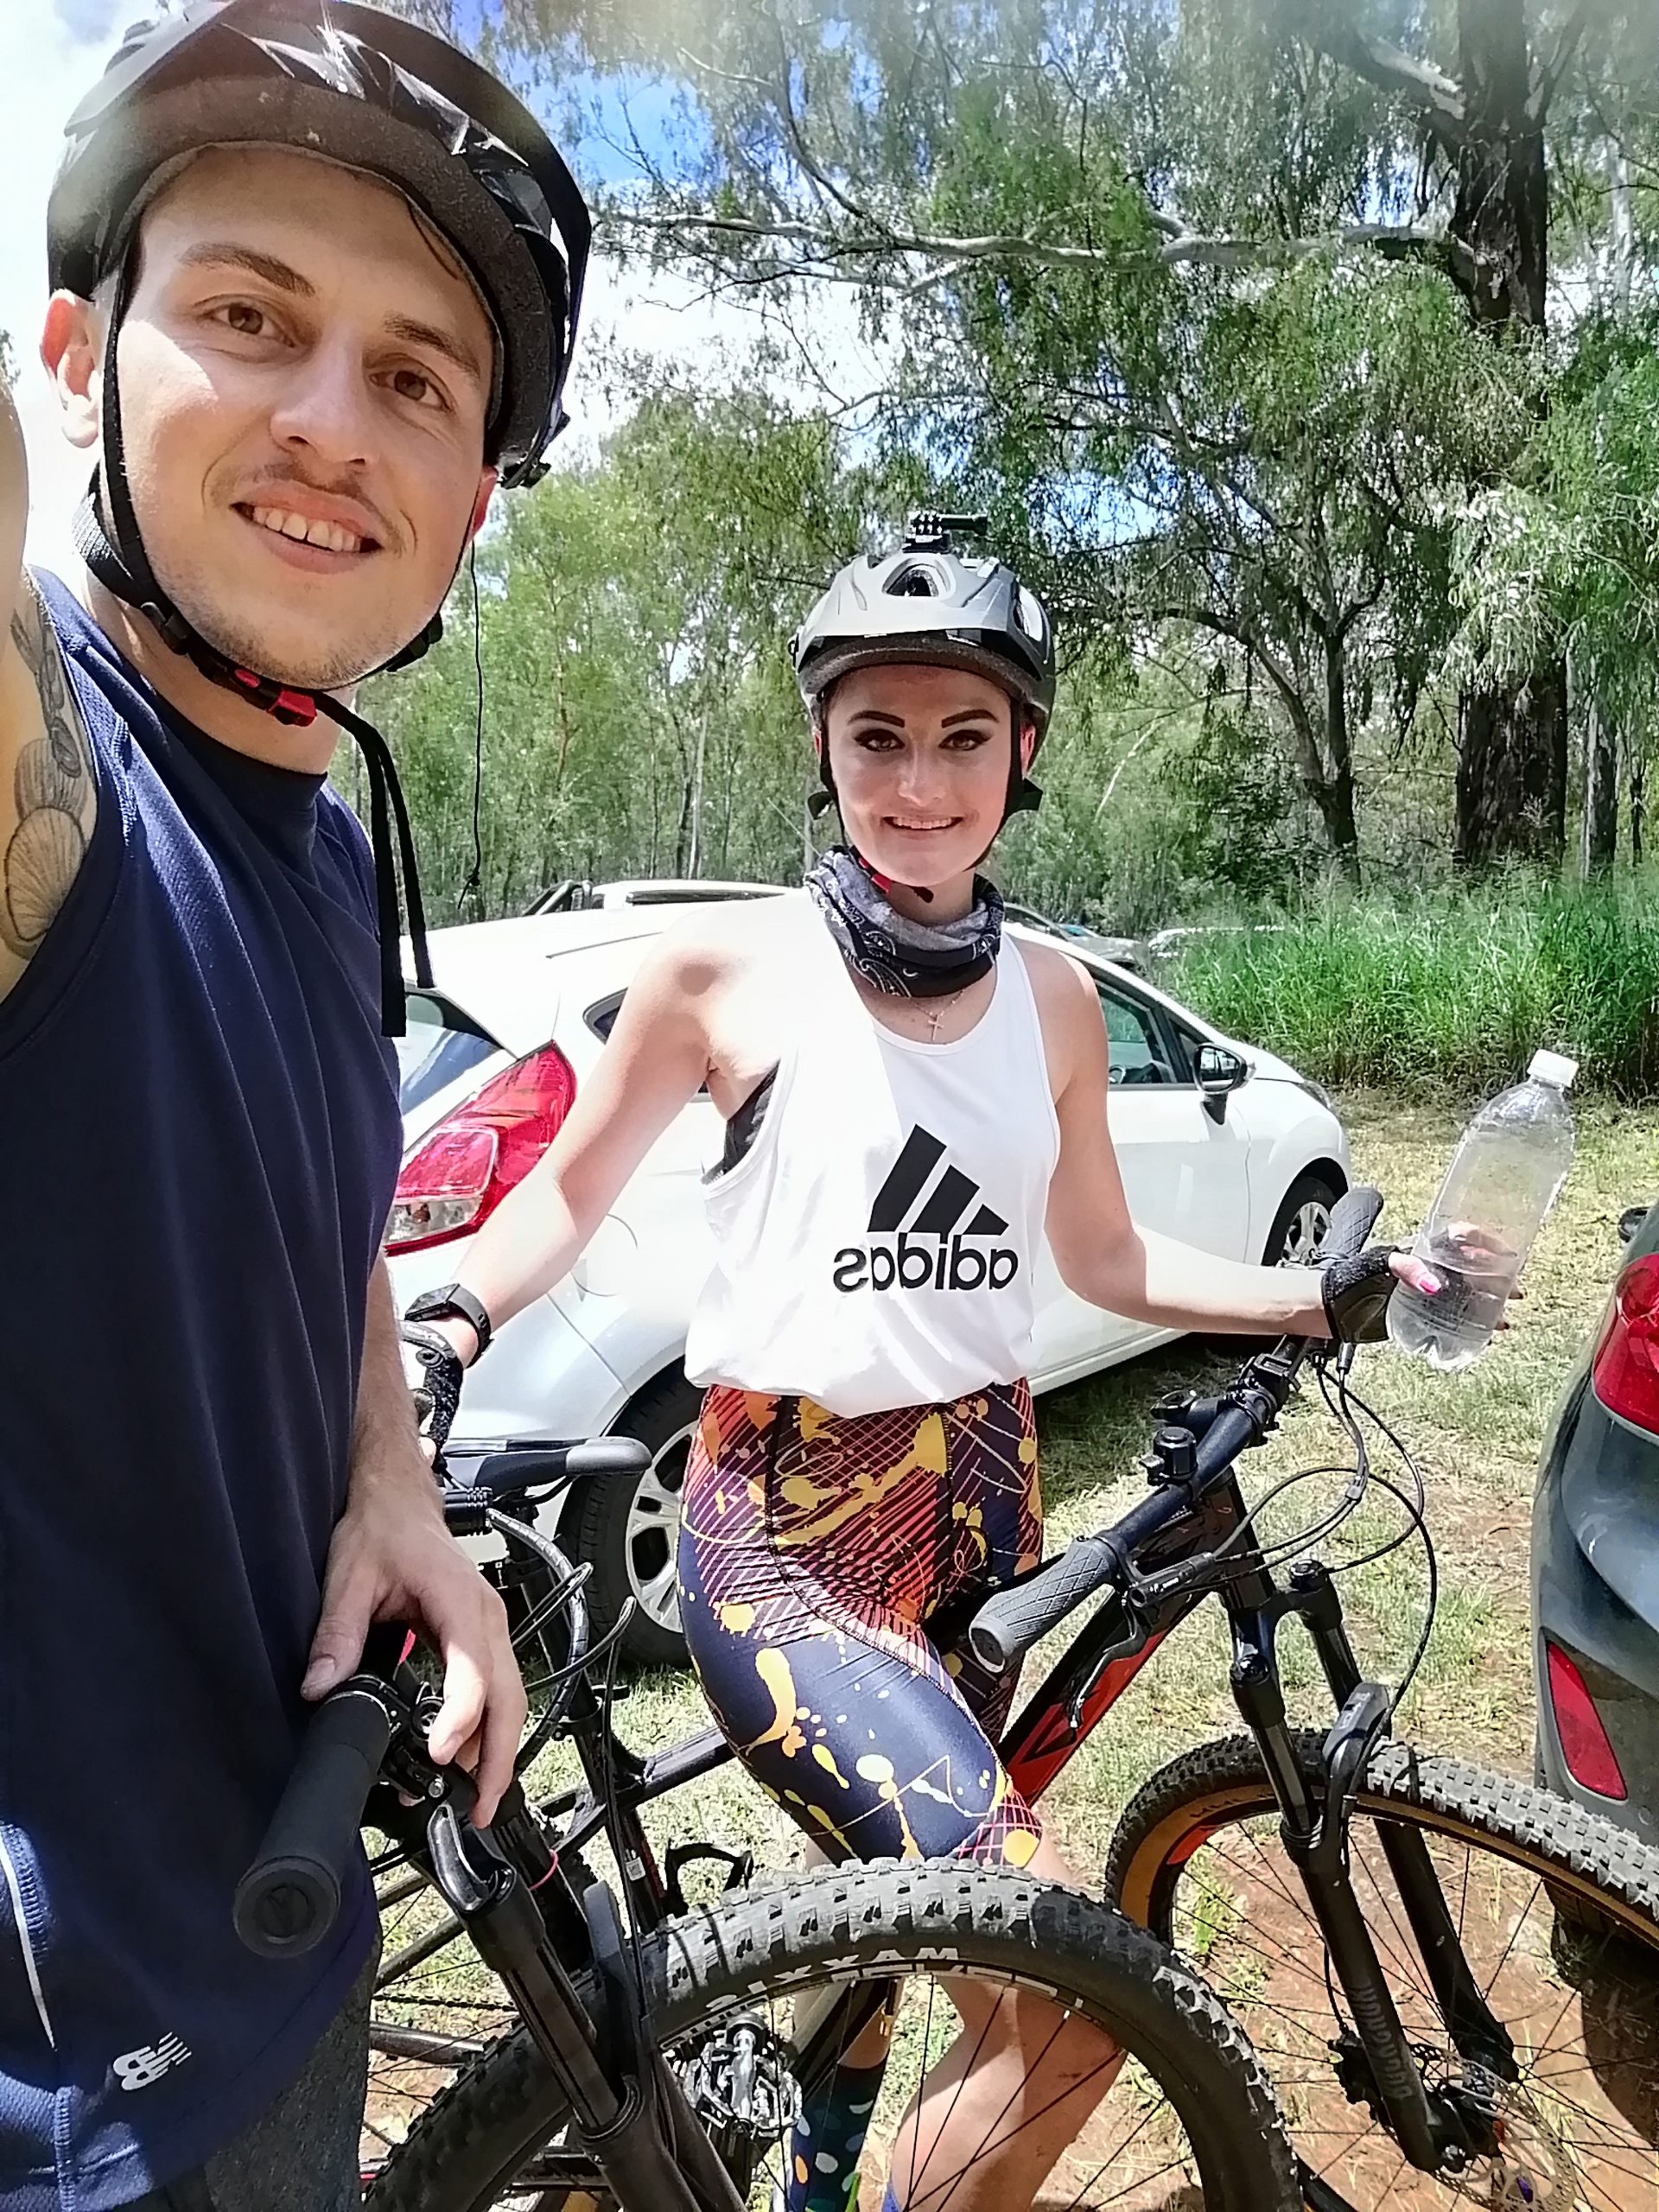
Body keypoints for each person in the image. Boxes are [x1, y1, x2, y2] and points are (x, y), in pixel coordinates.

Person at [403, 516, 1435, 2212]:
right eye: (878, 734)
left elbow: (1100, 1256)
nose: (920, 783)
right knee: (1064, 2007)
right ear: (824, 746)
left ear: (1024, 752)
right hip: (788, 1549)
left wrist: (1305, 1300)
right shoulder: (720, 972)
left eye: (964, 736)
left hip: (975, 1517)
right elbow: (570, 1194)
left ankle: (811, 2176)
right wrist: (452, 1320)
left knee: (878, 1961)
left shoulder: (1058, 1002)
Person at [0, 6, 589, 2208]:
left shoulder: (330, 850)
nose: (333, 424)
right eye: (249, 316)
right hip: (73, 2110)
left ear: (472, 502)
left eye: (419, 376)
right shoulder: (47, 789)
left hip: (279, 1928)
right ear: (76, 358)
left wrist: (388, 1483)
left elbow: (326, 1220)